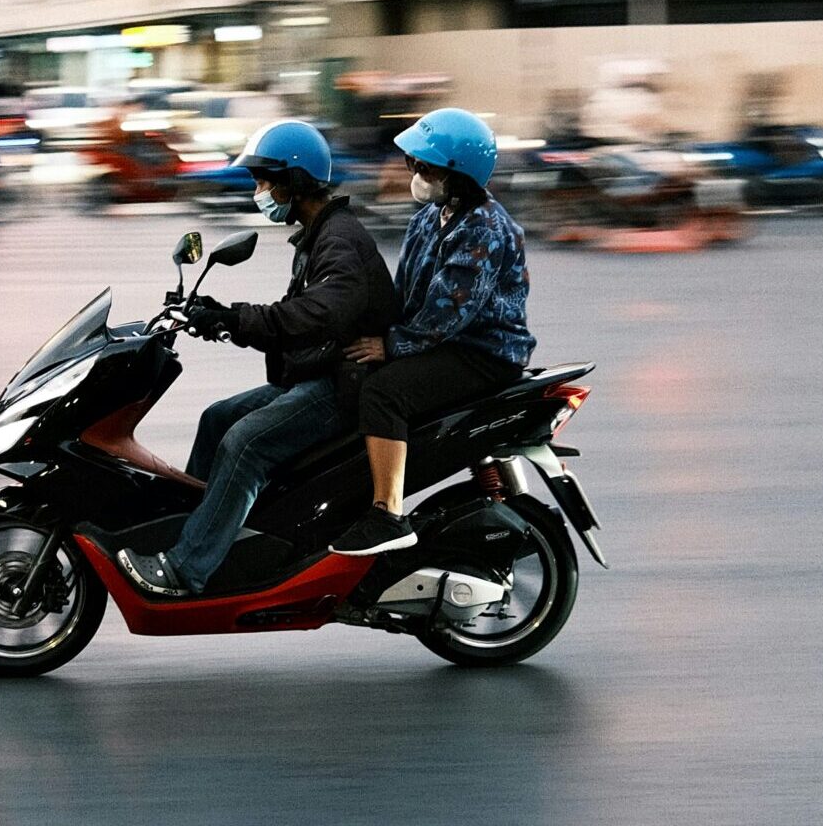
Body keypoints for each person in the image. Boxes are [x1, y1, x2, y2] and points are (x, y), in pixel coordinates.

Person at [116, 120, 397, 596]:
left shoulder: (339, 240)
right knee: (217, 417)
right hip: (320, 371)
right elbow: (296, 318)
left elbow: (316, 315)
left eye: (266, 181)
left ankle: (188, 567)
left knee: (245, 443)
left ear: (296, 181)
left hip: (343, 384)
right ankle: (197, 531)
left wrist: (235, 320)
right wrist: (216, 316)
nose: (261, 191)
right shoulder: (317, 233)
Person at [331, 108, 536, 556]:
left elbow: (447, 312)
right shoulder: (429, 217)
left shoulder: (486, 229)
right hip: (441, 343)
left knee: (384, 393)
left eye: (427, 167)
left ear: (457, 173)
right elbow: (405, 292)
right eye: (415, 164)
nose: (417, 174)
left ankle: (387, 514)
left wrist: (389, 346)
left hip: (483, 353)